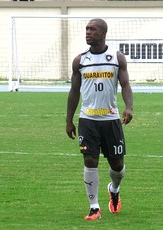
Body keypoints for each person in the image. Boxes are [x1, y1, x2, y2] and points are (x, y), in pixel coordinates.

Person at [66, 18, 133, 221]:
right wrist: (69, 120)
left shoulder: (117, 58)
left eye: (92, 30)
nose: (88, 32)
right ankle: (94, 207)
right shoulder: (80, 60)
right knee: (90, 160)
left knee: (118, 166)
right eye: (86, 29)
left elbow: (125, 84)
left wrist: (129, 107)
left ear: (103, 33)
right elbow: (74, 91)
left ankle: (114, 189)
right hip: (88, 120)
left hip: (111, 120)